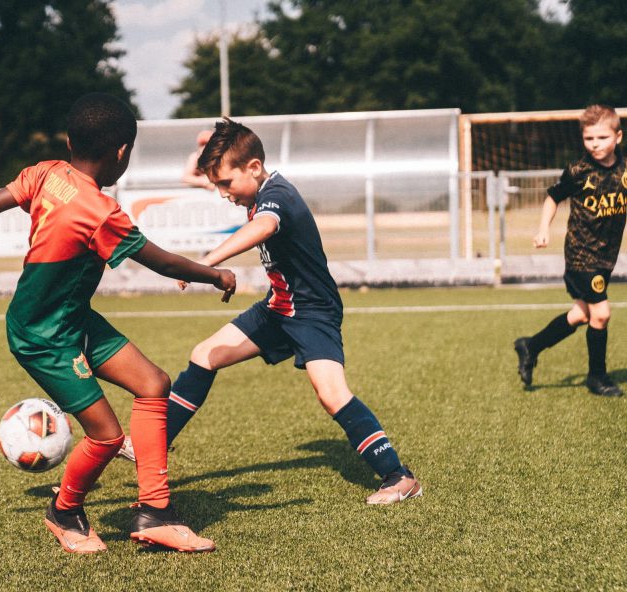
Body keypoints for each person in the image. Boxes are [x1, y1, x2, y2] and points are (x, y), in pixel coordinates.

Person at [0, 93, 237, 553]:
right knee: (106, 435)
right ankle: (64, 512)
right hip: (43, 337)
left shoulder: (46, 173)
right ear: (121, 153)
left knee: (154, 384)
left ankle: (155, 513)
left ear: (68, 140)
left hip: (68, 317)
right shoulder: (102, 214)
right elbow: (164, 264)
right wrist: (215, 273)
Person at [123, 117, 422, 505]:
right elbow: (229, 192)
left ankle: (399, 477)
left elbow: (264, 227)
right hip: (277, 308)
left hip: (313, 312)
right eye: (217, 186)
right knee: (204, 356)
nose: (223, 194)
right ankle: (152, 447)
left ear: (254, 168)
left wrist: (208, 263)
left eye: (226, 185)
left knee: (332, 395)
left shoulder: (278, 195)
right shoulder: (256, 190)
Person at [515, 104, 625, 397]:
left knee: (580, 315)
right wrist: (543, 228)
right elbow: (553, 197)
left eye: (602, 138)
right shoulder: (579, 171)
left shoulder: (625, 169)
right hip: (581, 254)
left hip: (606, 257)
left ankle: (530, 345)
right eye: (589, 139)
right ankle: (597, 377)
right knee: (601, 314)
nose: (595, 144)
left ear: (618, 137)